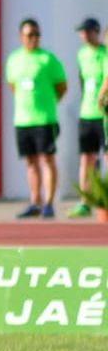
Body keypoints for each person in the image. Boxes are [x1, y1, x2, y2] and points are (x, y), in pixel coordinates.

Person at [5, 18, 67, 218]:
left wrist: (48, 104)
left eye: (37, 35)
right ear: (21, 37)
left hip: (44, 119)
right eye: (30, 35)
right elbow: (12, 86)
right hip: (23, 120)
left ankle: (48, 203)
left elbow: (61, 87)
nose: (34, 39)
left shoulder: (48, 59)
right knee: (30, 162)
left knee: (47, 160)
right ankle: (35, 202)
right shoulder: (14, 59)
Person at [71, 17, 107, 217]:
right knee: (86, 158)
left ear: (95, 31)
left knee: (106, 157)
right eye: (81, 31)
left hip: (103, 116)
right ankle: (85, 200)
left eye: (86, 31)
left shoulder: (105, 53)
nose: (83, 35)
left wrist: (101, 99)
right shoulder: (81, 54)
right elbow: (81, 80)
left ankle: (105, 199)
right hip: (86, 114)